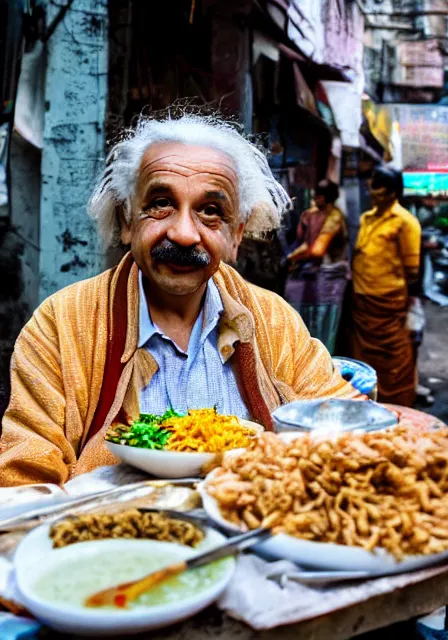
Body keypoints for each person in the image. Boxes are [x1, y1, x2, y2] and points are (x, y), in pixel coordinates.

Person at [0, 114, 360, 487]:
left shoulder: (273, 321)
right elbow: (23, 480)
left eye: (210, 211)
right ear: (126, 220)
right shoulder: (62, 325)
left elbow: (348, 429)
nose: (185, 234)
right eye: (160, 203)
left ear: (235, 236)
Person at [348, 166, 421, 407]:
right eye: (372, 184)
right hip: (363, 301)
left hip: (388, 303)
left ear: (392, 192)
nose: (371, 191)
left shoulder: (405, 222)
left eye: (378, 186)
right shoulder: (366, 218)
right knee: (363, 359)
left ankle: (398, 404)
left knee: (394, 359)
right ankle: (368, 402)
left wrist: (410, 305)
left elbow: (412, 272)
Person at [284, 180, 348, 354]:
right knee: (305, 323)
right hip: (310, 277)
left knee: (325, 326)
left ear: (327, 198)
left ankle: (324, 368)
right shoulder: (310, 215)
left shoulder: (335, 217)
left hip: (330, 279)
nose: (315, 199)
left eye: (319, 196)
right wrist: (290, 257)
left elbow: (318, 250)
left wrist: (294, 257)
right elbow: (305, 244)